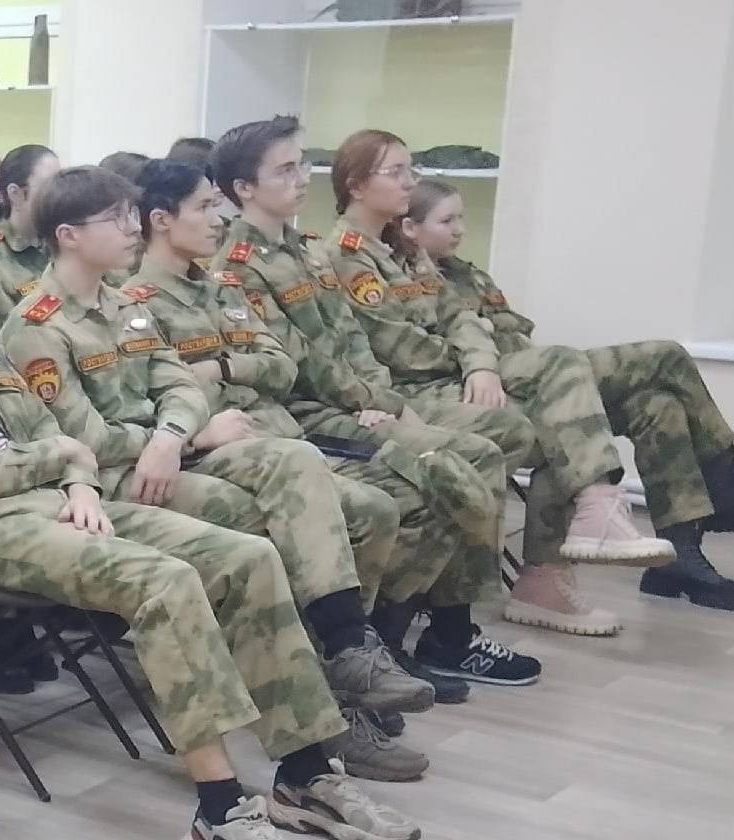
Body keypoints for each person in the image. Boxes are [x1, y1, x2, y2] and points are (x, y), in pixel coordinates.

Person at [0, 188, 420, 840]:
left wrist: (80, 482)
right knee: (164, 581)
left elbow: (51, 433)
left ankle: (304, 773)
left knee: (248, 556)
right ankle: (220, 816)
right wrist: (62, 459)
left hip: (57, 502)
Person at [1, 170, 429, 735]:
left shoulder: (124, 306)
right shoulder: (35, 326)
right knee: (263, 524)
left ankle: (347, 649)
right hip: (114, 481)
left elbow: (182, 386)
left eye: (132, 215)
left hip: (171, 453)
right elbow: (86, 440)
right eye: (117, 218)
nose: (133, 228)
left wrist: (171, 436)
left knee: (298, 462)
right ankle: (324, 709)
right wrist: (180, 439)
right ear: (69, 235)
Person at [125, 158, 505, 779]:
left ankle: (359, 667)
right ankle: (339, 695)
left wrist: (224, 366)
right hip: (220, 453)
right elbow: (160, 397)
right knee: (342, 517)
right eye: (205, 207)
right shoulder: (137, 305)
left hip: (281, 436)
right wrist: (208, 412)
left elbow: (281, 366)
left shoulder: (220, 287)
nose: (218, 218)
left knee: (401, 499)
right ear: (162, 221)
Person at [208, 116, 542, 693]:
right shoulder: (237, 264)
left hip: (357, 403)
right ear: (243, 188)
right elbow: (300, 360)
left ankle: (426, 635)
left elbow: (350, 338)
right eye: (284, 170)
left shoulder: (306, 250)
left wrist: (380, 398)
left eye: (300, 166)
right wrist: (374, 402)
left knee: (475, 458)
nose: (301, 179)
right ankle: (389, 640)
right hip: (306, 414)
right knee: (447, 472)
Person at [400, 180, 734, 618]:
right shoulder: (405, 279)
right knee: (666, 356)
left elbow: (516, 336)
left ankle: (679, 557)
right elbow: (435, 357)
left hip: (532, 383)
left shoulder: (467, 274)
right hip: (485, 398)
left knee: (657, 406)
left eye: (461, 218)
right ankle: (725, 480)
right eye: (446, 220)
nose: (460, 229)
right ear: (410, 227)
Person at [321, 131, 675, 639]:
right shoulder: (344, 255)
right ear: (356, 185)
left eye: (411, 170)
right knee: (558, 396)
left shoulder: (401, 246)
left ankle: (555, 566)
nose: (410, 181)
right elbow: (401, 350)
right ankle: (568, 545)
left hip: (455, 379)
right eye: (396, 172)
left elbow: (458, 315)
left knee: (564, 419)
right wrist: (469, 362)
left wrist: (481, 364)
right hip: (409, 392)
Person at [0, 143, 59, 313]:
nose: (58, 195)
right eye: (48, 187)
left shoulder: (62, 243)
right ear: (15, 193)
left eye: (60, 184)